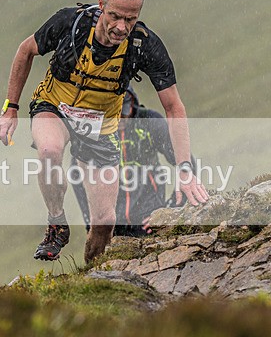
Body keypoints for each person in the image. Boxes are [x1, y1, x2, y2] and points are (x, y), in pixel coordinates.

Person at [0, 0, 208, 264]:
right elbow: (26, 50)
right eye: (115, 16)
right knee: (49, 150)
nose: (121, 27)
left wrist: (184, 169)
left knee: (105, 220)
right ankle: (57, 223)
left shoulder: (144, 45)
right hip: (55, 106)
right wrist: (11, 108)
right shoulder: (71, 23)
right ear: (101, 5)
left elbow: (174, 108)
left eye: (130, 19)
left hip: (100, 125)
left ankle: (95, 272)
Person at [72, 86, 195, 237]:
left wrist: (170, 210)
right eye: (114, 115)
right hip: (113, 225)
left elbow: (186, 162)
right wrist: (91, 222)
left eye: (124, 113)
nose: (120, 119)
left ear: (132, 103)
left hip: (149, 220)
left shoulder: (150, 121)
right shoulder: (93, 133)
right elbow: (77, 176)